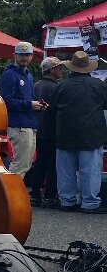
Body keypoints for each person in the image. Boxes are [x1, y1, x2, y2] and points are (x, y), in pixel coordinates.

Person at [47, 51, 107, 213]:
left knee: (66, 171)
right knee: (90, 171)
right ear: (89, 68)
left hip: (65, 134)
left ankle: (67, 201)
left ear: (71, 68)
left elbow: (52, 110)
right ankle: (89, 203)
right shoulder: (100, 85)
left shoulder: (61, 86)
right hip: (91, 134)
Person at [0, 41, 45, 178]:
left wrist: (38, 105)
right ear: (15, 56)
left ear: (31, 56)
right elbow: (5, 101)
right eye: (21, 55)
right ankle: (10, 197)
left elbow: (28, 100)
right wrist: (30, 104)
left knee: (26, 164)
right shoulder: (9, 74)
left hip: (29, 124)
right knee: (20, 165)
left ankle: (13, 195)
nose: (25, 58)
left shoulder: (28, 76)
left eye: (27, 55)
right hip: (19, 125)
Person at [28, 56, 64, 207]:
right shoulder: (56, 88)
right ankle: (49, 196)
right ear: (51, 70)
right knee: (52, 165)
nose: (61, 70)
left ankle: (35, 194)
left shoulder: (35, 85)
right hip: (52, 131)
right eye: (59, 68)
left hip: (37, 129)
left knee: (39, 163)